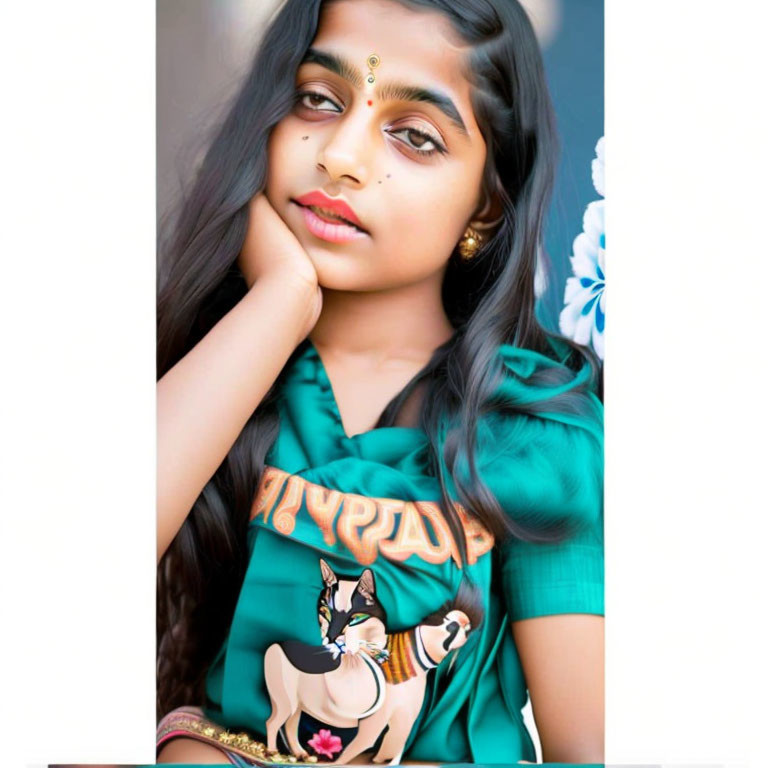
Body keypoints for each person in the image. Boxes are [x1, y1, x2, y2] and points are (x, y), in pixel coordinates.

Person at [155, 0, 605, 764]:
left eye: (414, 136)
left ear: (487, 206)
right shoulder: (210, 366)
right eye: (319, 100)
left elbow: (589, 748)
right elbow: (59, 593)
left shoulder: (534, 428)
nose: (341, 155)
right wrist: (278, 304)